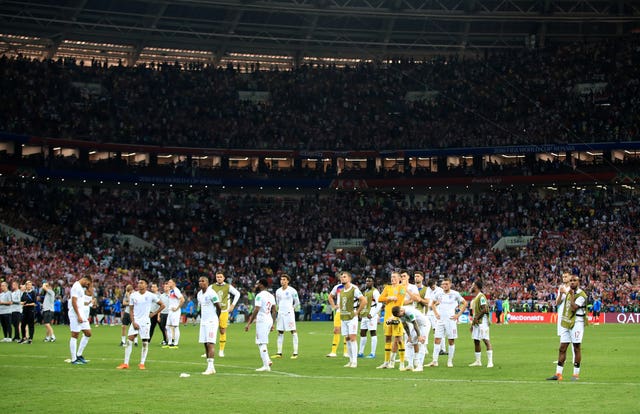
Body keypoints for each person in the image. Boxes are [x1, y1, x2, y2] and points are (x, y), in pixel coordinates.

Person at [117, 278, 165, 370]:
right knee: (129, 341)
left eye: (142, 283)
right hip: (135, 321)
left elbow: (162, 305)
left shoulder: (151, 295)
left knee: (144, 343)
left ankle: (142, 363)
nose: (139, 284)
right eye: (138, 283)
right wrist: (133, 321)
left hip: (145, 322)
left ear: (146, 285)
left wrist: (154, 313)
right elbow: (131, 309)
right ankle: (125, 363)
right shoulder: (133, 295)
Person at [547, 275, 587, 381]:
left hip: (577, 323)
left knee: (576, 347)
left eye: (575, 281)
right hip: (566, 321)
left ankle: (575, 375)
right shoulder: (568, 292)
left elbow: (574, 307)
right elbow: (558, 303)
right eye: (571, 281)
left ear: (579, 282)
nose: (572, 282)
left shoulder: (581, 295)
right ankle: (558, 374)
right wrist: (561, 293)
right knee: (562, 348)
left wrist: (570, 295)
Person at [428, 277, 467, 368]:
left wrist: (458, 315)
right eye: (443, 284)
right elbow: (432, 304)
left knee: (451, 340)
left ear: (450, 284)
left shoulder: (455, 294)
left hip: (451, 320)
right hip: (440, 320)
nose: (444, 286)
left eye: (446, 284)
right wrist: (436, 313)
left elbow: (465, 303)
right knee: (437, 339)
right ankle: (434, 361)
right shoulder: (439, 293)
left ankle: (450, 361)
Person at [331, 271, 367, 368]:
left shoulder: (354, 289)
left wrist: (357, 312)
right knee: (347, 338)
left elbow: (364, 300)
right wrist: (335, 307)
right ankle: (350, 360)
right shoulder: (341, 291)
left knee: (352, 338)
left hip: (351, 318)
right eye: (341, 277)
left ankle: (355, 361)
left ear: (349, 279)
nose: (342, 278)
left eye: (344, 277)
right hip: (343, 317)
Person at [244, 278, 276, 372]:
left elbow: (256, 309)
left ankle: (266, 365)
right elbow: (274, 310)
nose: (256, 285)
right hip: (269, 319)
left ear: (261, 285)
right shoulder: (271, 295)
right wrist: (273, 323)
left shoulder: (259, 296)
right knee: (262, 342)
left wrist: (249, 322)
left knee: (261, 343)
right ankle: (267, 360)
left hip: (262, 320)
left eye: (257, 284)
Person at [376, 271, 406, 369]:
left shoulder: (402, 288)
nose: (392, 279)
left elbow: (400, 300)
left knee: (398, 340)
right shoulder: (387, 288)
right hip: (387, 317)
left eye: (394, 277)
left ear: (399, 279)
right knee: (388, 338)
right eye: (391, 277)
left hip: (396, 317)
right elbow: (380, 299)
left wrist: (395, 315)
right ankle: (386, 362)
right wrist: (388, 298)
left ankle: (399, 362)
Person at [197, 275, 222, 375]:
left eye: (202, 281)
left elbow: (218, 307)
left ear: (207, 283)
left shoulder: (211, 293)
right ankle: (210, 367)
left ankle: (211, 367)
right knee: (204, 343)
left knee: (210, 343)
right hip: (203, 321)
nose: (200, 283)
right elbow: (201, 308)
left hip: (212, 321)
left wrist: (216, 318)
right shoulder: (199, 294)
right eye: (199, 281)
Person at [391, 305, 429, 371]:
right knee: (409, 343)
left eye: (399, 315)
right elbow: (405, 325)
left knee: (421, 343)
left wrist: (419, 336)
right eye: (399, 316)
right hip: (417, 326)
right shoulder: (401, 314)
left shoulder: (409, 312)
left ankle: (420, 366)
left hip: (424, 325)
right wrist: (409, 336)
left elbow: (414, 323)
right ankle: (410, 365)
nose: (400, 317)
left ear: (401, 311)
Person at [212, 272, 241, 357]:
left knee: (222, 330)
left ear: (224, 278)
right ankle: (209, 350)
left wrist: (232, 305)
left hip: (224, 311)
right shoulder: (212, 287)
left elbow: (237, 294)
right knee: (211, 330)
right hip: (213, 311)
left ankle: (221, 350)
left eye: (220, 277)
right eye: (217, 277)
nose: (219, 278)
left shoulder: (228, 286)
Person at [272, 274, 300, 359]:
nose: (282, 281)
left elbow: (297, 302)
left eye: (284, 279)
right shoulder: (278, 291)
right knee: (280, 332)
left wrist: (292, 308)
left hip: (289, 314)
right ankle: (279, 353)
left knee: (293, 331)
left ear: (288, 281)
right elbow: (277, 302)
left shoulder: (292, 290)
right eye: (281, 279)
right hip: (281, 313)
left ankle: (295, 353)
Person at [468, 281, 493, 368]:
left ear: (476, 287)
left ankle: (490, 362)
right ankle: (478, 361)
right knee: (476, 340)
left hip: (483, 322)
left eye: (473, 285)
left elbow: (485, 309)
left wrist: (476, 318)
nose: (471, 287)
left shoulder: (481, 296)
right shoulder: (475, 298)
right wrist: (472, 324)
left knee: (486, 340)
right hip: (477, 322)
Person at [69, 275, 93, 365]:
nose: (87, 286)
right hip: (75, 314)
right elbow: (74, 301)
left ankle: (79, 355)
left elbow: (79, 301)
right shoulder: (76, 286)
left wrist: (87, 303)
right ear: (84, 280)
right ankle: (73, 359)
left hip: (81, 313)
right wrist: (78, 315)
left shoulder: (80, 288)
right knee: (75, 335)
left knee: (88, 333)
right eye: (88, 284)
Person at [357, 276, 380, 359]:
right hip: (365, 314)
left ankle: (373, 353)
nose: (367, 282)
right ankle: (360, 352)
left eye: (369, 281)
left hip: (371, 314)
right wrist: (360, 312)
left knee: (372, 332)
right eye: (366, 281)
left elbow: (379, 303)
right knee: (362, 333)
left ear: (373, 282)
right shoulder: (365, 291)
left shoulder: (375, 292)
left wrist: (373, 314)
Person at [165, 278, 184, 349]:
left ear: (174, 283)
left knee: (175, 327)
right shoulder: (171, 291)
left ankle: (176, 343)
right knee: (168, 326)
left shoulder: (176, 290)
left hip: (175, 311)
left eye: (170, 282)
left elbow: (182, 300)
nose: (168, 283)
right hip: (170, 311)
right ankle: (170, 343)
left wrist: (177, 308)